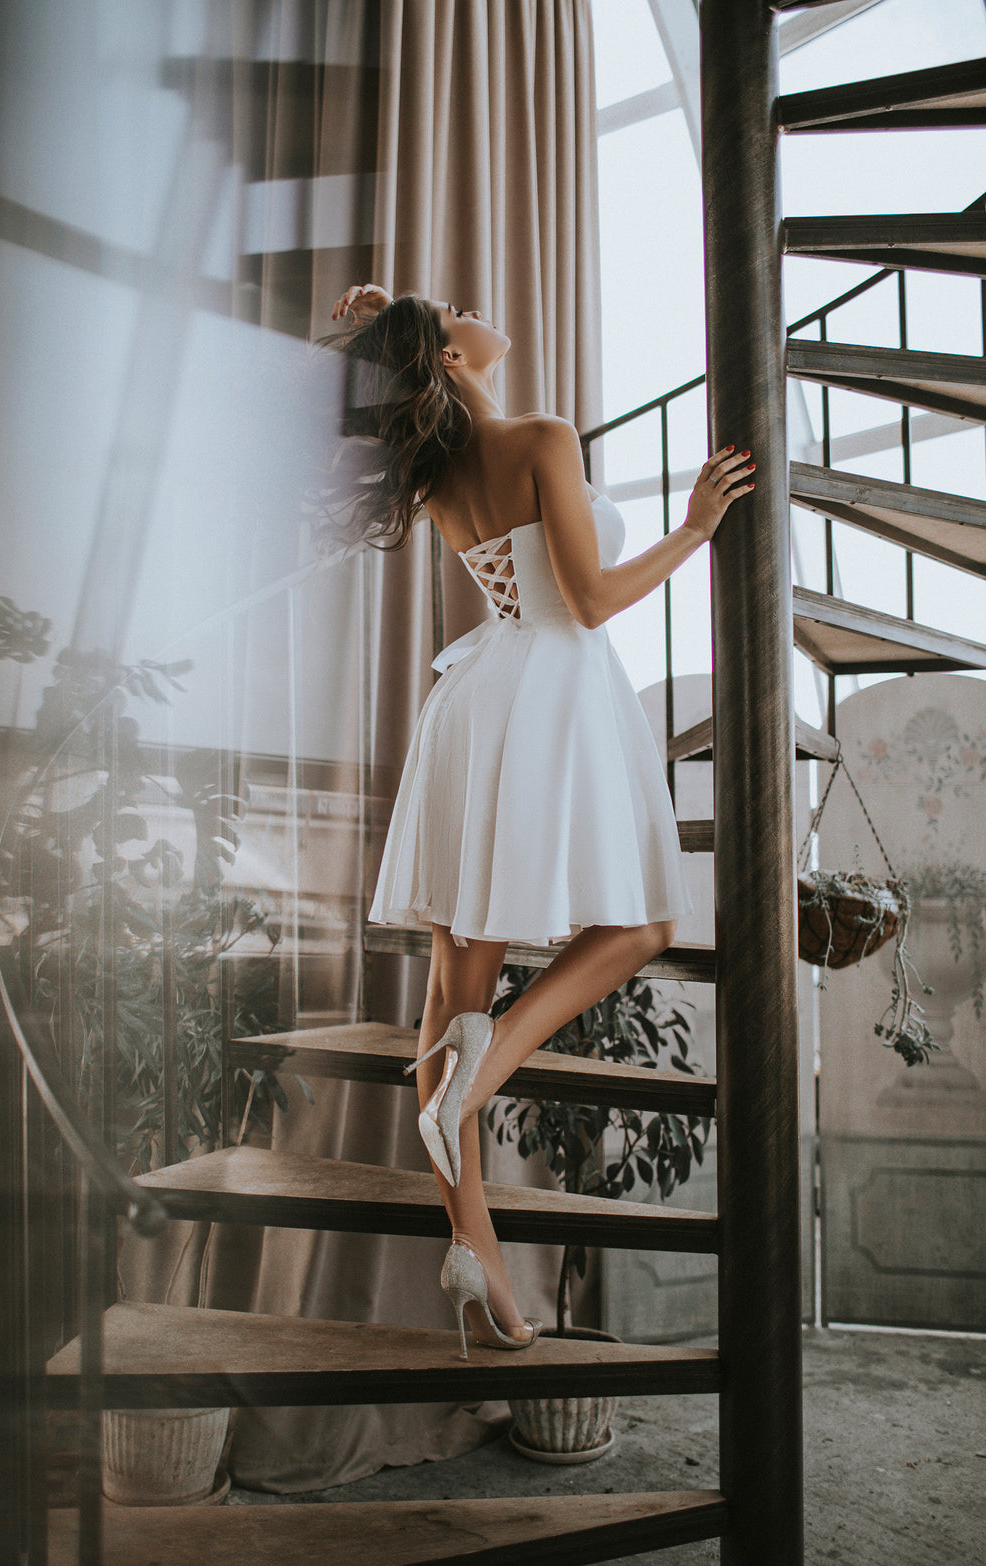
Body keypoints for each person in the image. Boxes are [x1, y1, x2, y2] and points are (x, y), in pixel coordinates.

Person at [328, 282, 755, 1358]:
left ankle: (477, 1263)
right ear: (451, 357)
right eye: (453, 310)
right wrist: (695, 530)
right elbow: (593, 599)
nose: (475, 308)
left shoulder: (437, 471)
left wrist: (384, 317)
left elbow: (544, 583)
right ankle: (478, 1077)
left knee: (451, 992)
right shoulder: (541, 436)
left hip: (480, 701)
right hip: (552, 693)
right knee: (644, 924)